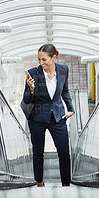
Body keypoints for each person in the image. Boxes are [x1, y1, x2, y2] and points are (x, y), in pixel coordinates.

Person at [23, 44, 75, 187]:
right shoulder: (32, 73)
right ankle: (39, 182)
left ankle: (66, 184)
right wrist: (31, 89)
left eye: (44, 59)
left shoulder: (64, 70)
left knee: (64, 152)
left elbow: (64, 91)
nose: (41, 63)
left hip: (58, 117)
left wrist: (71, 108)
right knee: (38, 153)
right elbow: (26, 100)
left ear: (54, 57)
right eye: (39, 59)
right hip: (37, 119)